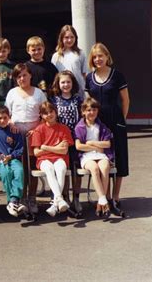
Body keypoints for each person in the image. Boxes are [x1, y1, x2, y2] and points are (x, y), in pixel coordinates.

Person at [85, 43, 130, 216]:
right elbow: (88, 103)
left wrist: (122, 120)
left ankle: (116, 197)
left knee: (119, 159)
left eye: (100, 56)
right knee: (102, 158)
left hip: (116, 121)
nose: (98, 59)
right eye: (95, 57)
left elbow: (125, 100)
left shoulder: (117, 75)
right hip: (98, 123)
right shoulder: (89, 78)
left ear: (107, 56)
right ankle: (104, 196)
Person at [5, 63, 46, 214]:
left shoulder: (39, 93)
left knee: (32, 167)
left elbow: (44, 115)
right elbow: (6, 114)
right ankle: (21, 198)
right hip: (16, 134)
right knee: (20, 168)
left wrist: (36, 129)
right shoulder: (12, 93)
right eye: (19, 76)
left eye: (24, 75)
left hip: (34, 134)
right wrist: (10, 123)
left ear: (30, 76)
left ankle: (32, 198)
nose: (22, 78)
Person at [49, 70, 83, 213]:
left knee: (77, 169)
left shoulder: (78, 99)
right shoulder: (54, 100)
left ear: (72, 83)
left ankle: (76, 197)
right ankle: (65, 197)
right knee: (64, 168)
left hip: (75, 137)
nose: (65, 84)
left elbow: (83, 118)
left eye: (68, 82)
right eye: (63, 82)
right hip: (60, 139)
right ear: (58, 84)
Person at [74, 97, 114, 218]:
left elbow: (107, 144)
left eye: (94, 110)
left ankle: (100, 202)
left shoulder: (101, 126)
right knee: (94, 169)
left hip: (101, 154)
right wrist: (96, 147)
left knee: (105, 167)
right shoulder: (79, 127)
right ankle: (103, 199)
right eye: (89, 110)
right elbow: (79, 146)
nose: (92, 113)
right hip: (86, 156)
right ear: (84, 112)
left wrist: (91, 143)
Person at [31, 102, 73, 217]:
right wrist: (56, 148)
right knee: (49, 168)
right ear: (41, 115)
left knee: (61, 169)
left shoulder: (64, 128)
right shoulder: (39, 129)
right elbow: (36, 152)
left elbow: (64, 151)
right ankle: (59, 199)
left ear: (56, 112)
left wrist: (45, 147)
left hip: (60, 158)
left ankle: (55, 203)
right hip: (43, 160)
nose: (49, 115)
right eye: (45, 113)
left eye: (51, 112)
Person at [51, 25, 88, 98]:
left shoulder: (80, 53)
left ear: (76, 38)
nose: (69, 40)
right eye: (66, 37)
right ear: (61, 38)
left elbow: (84, 74)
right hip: (63, 93)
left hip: (79, 92)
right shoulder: (56, 56)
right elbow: (54, 77)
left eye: (72, 37)